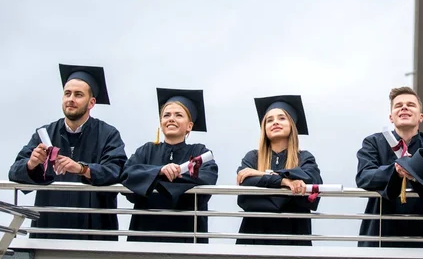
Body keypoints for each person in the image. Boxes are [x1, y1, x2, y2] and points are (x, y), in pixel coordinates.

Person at [9, 64, 127, 240]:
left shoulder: (108, 135)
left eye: (78, 95)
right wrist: (31, 163)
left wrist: (82, 169)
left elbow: (117, 171)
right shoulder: (45, 133)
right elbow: (14, 172)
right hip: (48, 230)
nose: (71, 99)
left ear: (91, 102)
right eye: (67, 93)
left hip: (94, 233)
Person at [356, 86, 423, 248]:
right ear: (391, 117)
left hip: (421, 235)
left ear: (421, 117)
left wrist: (416, 174)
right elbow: (364, 177)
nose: (404, 107)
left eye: (411, 105)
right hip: (379, 235)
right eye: (398, 105)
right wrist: (395, 170)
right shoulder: (373, 143)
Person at [121, 88, 218, 243]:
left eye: (178, 115)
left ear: (189, 126)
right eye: (167, 115)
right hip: (145, 233)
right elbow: (127, 174)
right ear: (161, 123)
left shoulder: (200, 152)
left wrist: (158, 179)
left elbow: (207, 180)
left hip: (186, 234)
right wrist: (159, 171)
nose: (171, 119)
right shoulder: (147, 150)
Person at [236, 95, 323, 245]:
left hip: (294, 236)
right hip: (255, 236)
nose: (275, 122)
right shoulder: (253, 157)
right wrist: (284, 181)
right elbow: (245, 183)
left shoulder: (305, 158)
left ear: (292, 124)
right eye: (269, 120)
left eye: (281, 118)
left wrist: (260, 175)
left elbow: (311, 181)